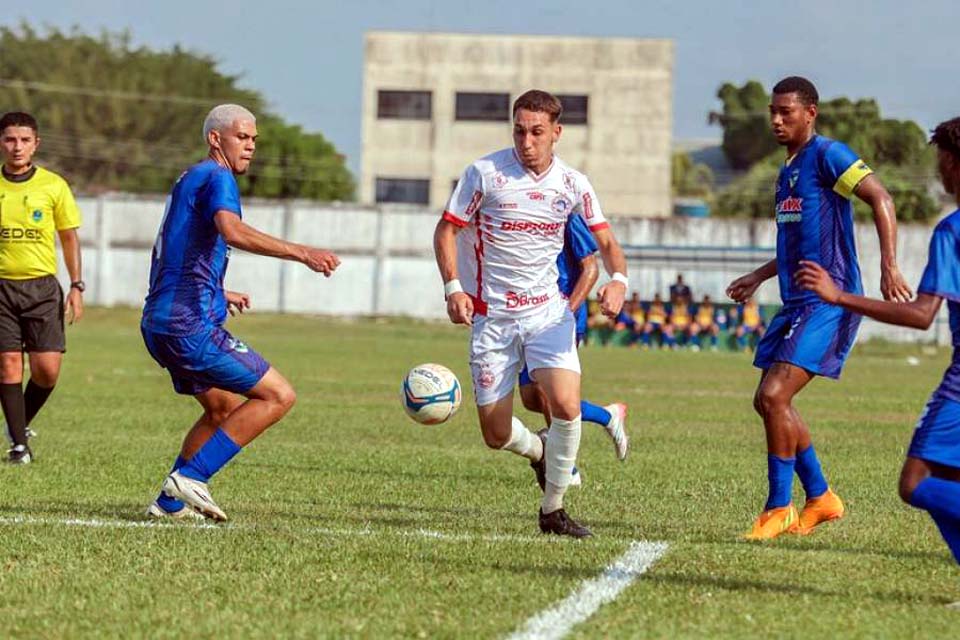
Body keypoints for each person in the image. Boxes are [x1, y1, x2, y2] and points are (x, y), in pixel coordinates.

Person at [433, 89, 628, 538]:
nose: (527, 141)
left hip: (548, 314)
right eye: (519, 131)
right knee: (495, 434)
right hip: (493, 318)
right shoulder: (483, 173)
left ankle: (553, 509)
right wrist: (452, 288)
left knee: (565, 406)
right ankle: (540, 452)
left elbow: (607, 244)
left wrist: (619, 281)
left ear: (556, 133)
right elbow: (446, 231)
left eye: (537, 132)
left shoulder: (573, 184)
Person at [726, 76, 912, 540]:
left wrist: (889, 266)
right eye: (772, 111)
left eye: (786, 111)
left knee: (774, 397)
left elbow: (881, 198)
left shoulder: (829, 155)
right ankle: (822, 498)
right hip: (796, 302)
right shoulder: (787, 171)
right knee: (768, 402)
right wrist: (758, 276)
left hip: (830, 300)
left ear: (811, 113)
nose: (776, 119)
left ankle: (777, 508)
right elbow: (796, 241)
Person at [142, 104, 341, 521]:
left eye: (253, 139)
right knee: (278, 395)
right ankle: (192, 477)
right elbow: (232, 231)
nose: (250, 146)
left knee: (221, 408)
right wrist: (303, 252)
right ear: (216, 139)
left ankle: (170, 503)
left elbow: (173, 249)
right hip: (187, 325)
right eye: (242, 137)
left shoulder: (190, 177)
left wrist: (218, 290)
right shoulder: (218, 176)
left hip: (161, 320)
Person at [796, 116, 960, 573]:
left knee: (916, 482)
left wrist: (839, 295)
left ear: (953, 162)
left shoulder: (952, 230)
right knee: (949, 476)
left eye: (942, 161)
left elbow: (922, 314)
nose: (940, 172)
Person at [0, 112, 84, 464]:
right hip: (2, 288)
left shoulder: (53, 186)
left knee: (47, 370)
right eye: (9, 139)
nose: (16, 147)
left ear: (36, 144)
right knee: (7, 365)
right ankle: (20, 445)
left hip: (42, 290)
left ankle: (16, 425)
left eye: (23, 140)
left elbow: (69, 237)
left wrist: (76, 284)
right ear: (1, 143)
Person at [518, 212, 629, 463]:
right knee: (532, 399)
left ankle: (564, 467)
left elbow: (590, 268)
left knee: (547, 391)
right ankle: (607, 416)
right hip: (527, 314)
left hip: (561, 316)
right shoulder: (521, 211)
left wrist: (565, 313)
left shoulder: (567, 213)